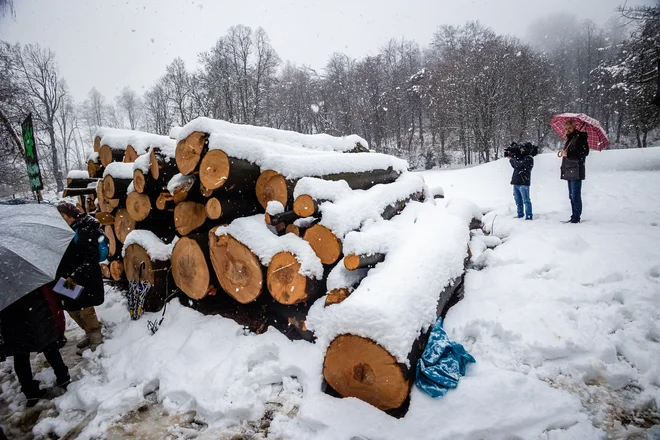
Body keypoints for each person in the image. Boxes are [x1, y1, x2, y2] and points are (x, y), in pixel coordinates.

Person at [0, 287, 70, 407]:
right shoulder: (26, 272)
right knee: (49, 347)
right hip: (35, 311)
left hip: (11, 319)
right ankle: (63, 378)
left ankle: (30, 392)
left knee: (21, 355)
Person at [56, 202, 105, 355]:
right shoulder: (65, 230)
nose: (62, 219)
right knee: (71, 308)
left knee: (85, 309)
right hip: (69, 277)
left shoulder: (84, 230)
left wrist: (76, 276)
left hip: (85, 277)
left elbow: (92, 258)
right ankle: (88, 332)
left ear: (71, 216)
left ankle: (95, 337)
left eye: (64, 216)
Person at [559, 120, 590, 223]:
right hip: (569, 169)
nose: (567, 131)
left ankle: (576, 217)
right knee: (571, 195)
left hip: (576, 170)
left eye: (569, 128)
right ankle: (573, 215)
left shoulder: (580, 138)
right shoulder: (570, 139)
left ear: (575, 127)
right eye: (566, 129)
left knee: (575, 194)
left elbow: (584, 153)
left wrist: (569, 154)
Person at [509, 144, 534, 220]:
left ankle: (529, 215)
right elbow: (514, 165)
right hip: (516, 181)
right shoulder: (519, 157)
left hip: (524, 182)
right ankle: (520, 214)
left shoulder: (529, 158)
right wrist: (511, 158)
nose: (521, 151)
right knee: (518, 200)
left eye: (523, 149)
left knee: (526, 200)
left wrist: (512, 160)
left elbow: (519, 165)